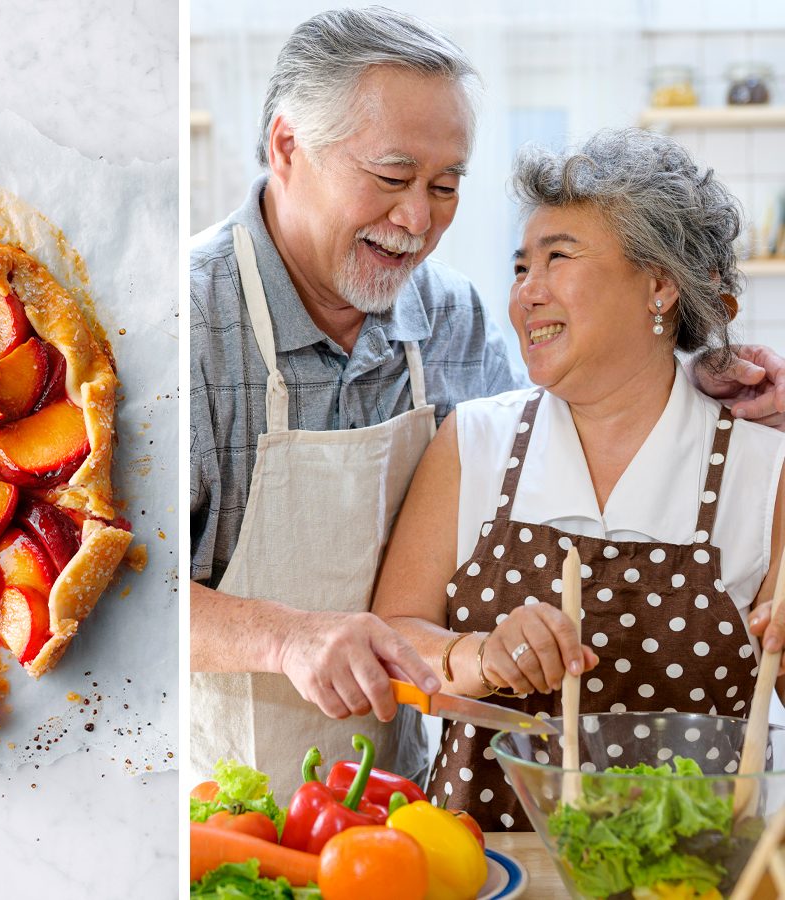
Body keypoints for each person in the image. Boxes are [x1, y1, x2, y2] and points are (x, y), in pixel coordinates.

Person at [186, 7, 785, 790]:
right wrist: (285, 640)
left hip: (382, 798)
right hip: (206, 790)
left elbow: (567, 425)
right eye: (394, 178)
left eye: (445, 186)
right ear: (288, 148)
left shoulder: (449, 320)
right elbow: (122, 581)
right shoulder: (182, 322)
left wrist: (698, 367)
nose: (417, 221)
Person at [371, 129, 785, 830]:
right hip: (486, 865)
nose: (526, 293)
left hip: (683, 873)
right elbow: (391, 639)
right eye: (520, 267)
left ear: (660, 285)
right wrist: (482, 654)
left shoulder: (761, 469)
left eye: (558, 258)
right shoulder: (474, 442)